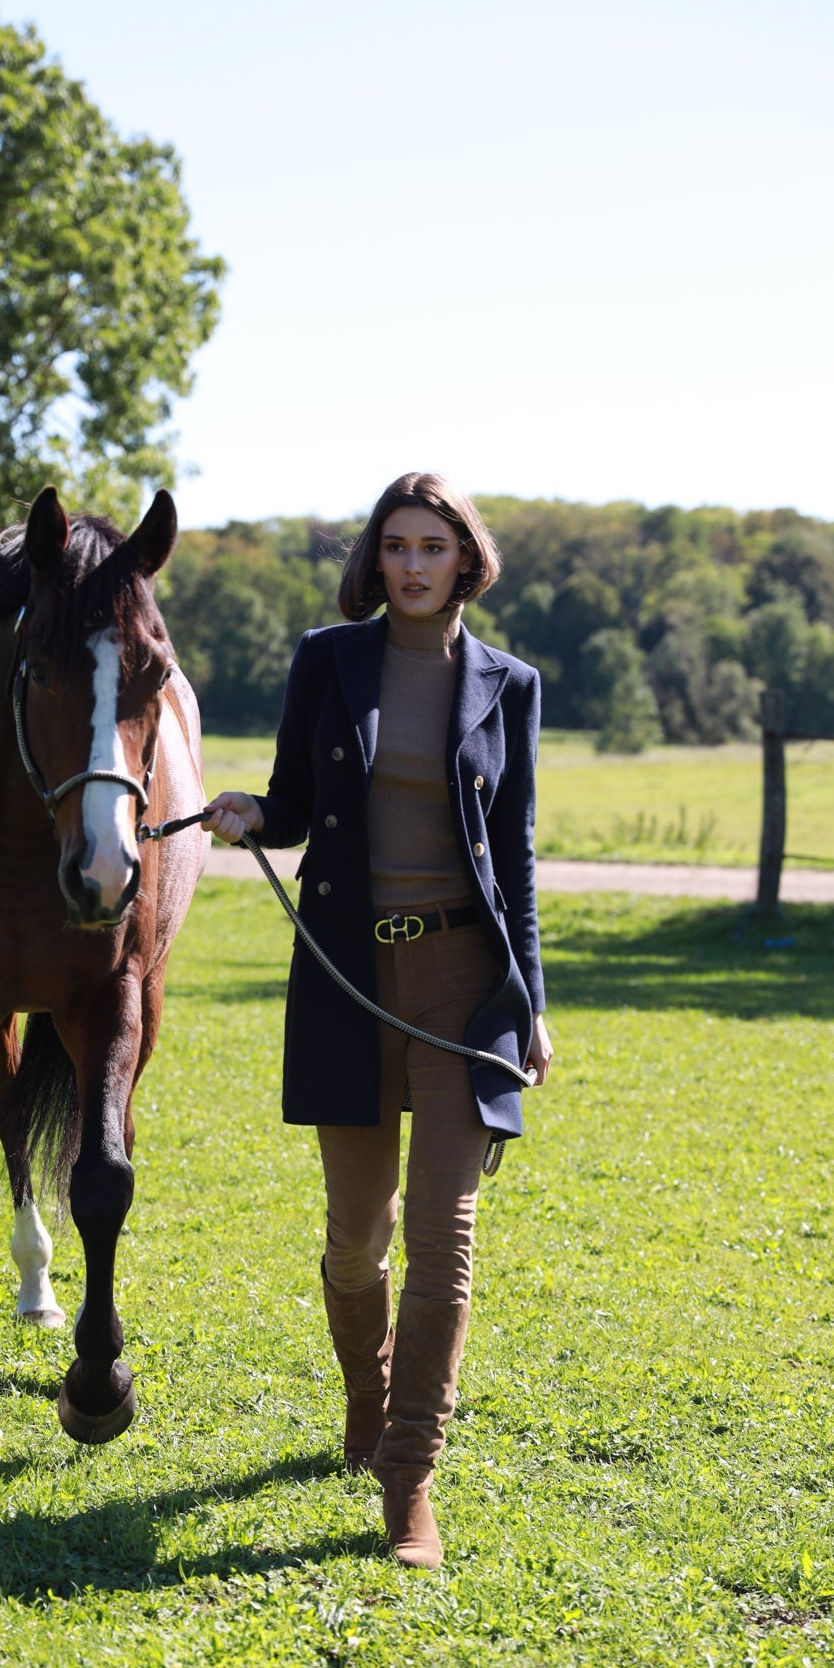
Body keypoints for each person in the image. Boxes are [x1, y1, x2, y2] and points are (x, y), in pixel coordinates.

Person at [205, 472, 553, 1570]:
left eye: (432, 546)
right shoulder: (329, 660)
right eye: (395, 544)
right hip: (350, 979)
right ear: (376, 558)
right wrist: (254, 814)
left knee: (444, 1248)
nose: (411, 563)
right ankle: (367, 1394)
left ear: (466, 558)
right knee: (358, 1243)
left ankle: (410, 1482)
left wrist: (531, 1000)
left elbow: (520, 855)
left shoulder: (510, 684)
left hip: (465, 987)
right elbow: (296, 805)